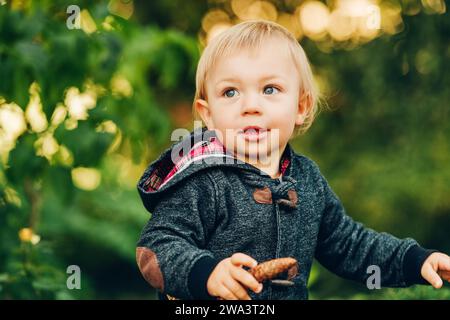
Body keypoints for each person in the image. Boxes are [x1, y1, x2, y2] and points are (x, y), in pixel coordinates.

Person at [135, 20, 450, 300]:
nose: (250, 106)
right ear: (208, 114)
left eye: (270, 89)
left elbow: (350, 244)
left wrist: (415, 261)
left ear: (301, 106)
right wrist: (207, 274)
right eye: (231, 92)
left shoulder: (307, 180)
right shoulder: (202, 180)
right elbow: (157, 246)